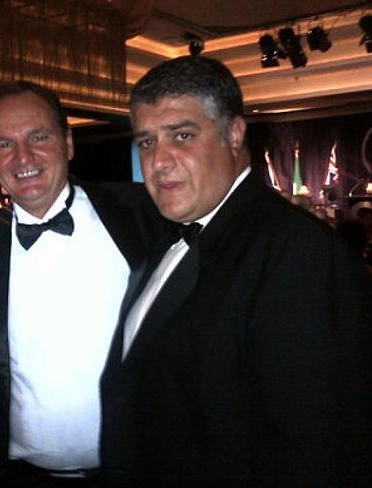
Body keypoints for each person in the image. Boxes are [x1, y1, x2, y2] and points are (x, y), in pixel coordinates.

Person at [100, 55, 372, 487]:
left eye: (182, 136)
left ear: (233, 134)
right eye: (147, 142)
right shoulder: (172, 237)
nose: (158, 162)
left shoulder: (298, 256)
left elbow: (314, 448)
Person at [0, 81, 158, 487]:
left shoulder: (144, 215)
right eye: (4, 144)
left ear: (68, 142)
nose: (23, 156)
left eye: (38, 137)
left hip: (140, 470)